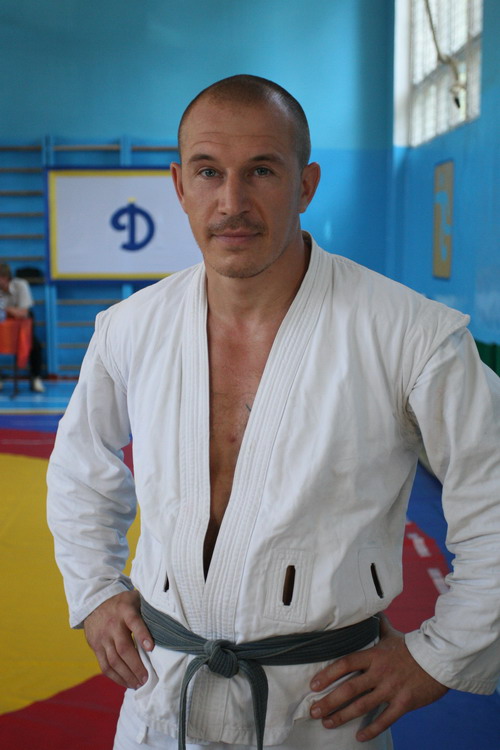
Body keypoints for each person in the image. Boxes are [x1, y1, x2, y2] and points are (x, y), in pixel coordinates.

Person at [47, 75, 500, 750]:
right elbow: (80, 467)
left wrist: (441, 655)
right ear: (179, 185)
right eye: (208, 171)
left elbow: (494, 497)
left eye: (261, 170)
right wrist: (94, 590)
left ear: (306, 184)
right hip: (162, 694)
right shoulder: (129, 328)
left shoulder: (411, 335)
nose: (232, 202)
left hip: (323, 706)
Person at [0, 262, 44, 393]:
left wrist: (7, 309)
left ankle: (36, 377)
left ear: (5, 277)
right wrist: (12, 311)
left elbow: (24, 312)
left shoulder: (21, 285)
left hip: (22, 325)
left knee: (35, 345)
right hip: (3, 325)